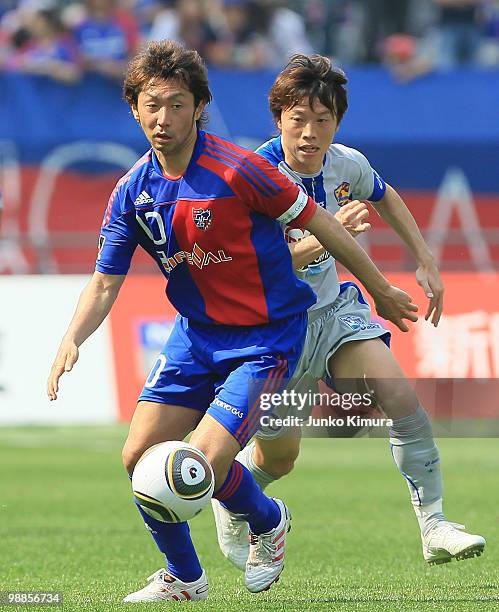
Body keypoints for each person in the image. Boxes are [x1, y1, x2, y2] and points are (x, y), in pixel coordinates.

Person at [46, 40, 417, 603]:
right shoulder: (132, 191)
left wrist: (381, 288)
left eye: (176, 104)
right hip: (196, 339)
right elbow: (104, 282)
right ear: (134, 110)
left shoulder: (240, 170)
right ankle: (188, 577)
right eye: (152, 105)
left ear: (199, 107)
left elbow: (322, 223)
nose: (163, 118)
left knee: (201, 463)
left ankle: (265, 520)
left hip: (266, 339)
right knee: (135, 459)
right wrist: (71, 339)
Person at [212, 53, 486, 571]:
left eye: (323, 120)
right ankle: (235, 500)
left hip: (335, 313)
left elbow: (387, 197)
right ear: (279, 119)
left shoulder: (347, 163)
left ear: (337, 122)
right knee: (280, 458)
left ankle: (434, 526)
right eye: (299, 119)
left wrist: (425, 260)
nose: (310, 132)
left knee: (401, 397)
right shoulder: (253, 177)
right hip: (277, 332)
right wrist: (328, 235)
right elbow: (255, 267)